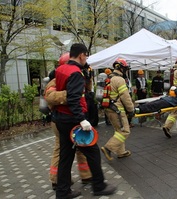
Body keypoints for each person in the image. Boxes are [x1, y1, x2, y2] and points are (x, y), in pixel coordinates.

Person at [54, 43, 116, 198]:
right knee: (93, 152)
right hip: (73, 119)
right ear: (81, 55)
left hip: (61, 118)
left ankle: (62, 192)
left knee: (65, 156)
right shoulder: (75, 73)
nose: (86, 58)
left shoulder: (60, 70)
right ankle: (99, 186)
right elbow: (74, 99)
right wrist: (82, 120)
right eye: (86, 56)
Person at [45, 53, 92, 191]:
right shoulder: (54, 81)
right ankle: (56, 179)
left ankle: (86, 175)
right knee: (61, 149)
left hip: (75, 117)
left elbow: (86, 93)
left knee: (81, 145)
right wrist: (72, 93)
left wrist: (88, 80)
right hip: (61, 120)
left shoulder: (77, 76)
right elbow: (51, 97)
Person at [101, 58, 134, 161]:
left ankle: (121, 152)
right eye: (125, 69)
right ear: (122, 68)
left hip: (108, 108)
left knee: (118, 130)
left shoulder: (109, 78)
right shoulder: (119, 79)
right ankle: (108, 148)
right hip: (117, 109)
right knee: (125, 131)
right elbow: (125, 96)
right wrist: (131, 109)